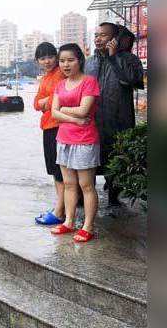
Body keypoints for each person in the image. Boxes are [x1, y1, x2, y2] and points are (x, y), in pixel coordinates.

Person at [85, 23, 144, 205]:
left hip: (119, 119)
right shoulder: (90, 62)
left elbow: (132, 80)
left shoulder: (129, 59)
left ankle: (114, 199)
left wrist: (113, 58)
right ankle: (86, 201)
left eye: (103, 35)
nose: (98, 38)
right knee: (89, 162)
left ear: (115, 39)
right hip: (92, 121)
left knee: (116, 160)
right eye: (96, 35)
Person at [50, 44, 101, 243]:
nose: (66, 64)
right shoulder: (60, 84)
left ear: (80, 60)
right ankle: (69, 222)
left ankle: (88, 226)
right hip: (63, 139)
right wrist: (74, 118)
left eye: (70, 60)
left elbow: (84, 110)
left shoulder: (89, 82)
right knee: (69, 184)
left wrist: (64, 109)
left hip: (85, 140)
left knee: (86, 185)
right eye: (62, 61)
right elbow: (54, 113)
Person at [33, 42, 66, 225]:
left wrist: (46, 102)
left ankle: (60, 212)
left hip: (58, 126)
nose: (47, 61)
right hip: (48, 126)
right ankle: (59, 207)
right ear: (38, 61)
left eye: (50, 57)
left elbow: (59, 97)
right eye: (42, 58)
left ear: (56, 56)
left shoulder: (60, 74)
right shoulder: (45, 77)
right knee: (55, 172)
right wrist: (43, 102)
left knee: (61, 172)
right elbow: (36, 103)